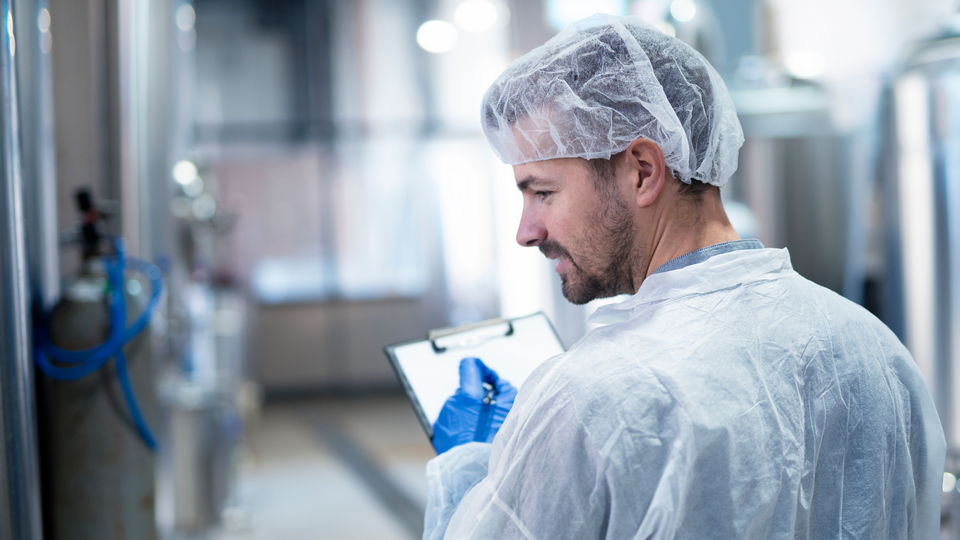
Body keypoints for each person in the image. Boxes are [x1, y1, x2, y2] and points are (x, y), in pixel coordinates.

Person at [424, 13, 946, 539]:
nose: (526, 232)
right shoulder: (879, 355)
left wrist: (472, 468)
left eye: (542, 192)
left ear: (643, 171)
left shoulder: (586, 401)